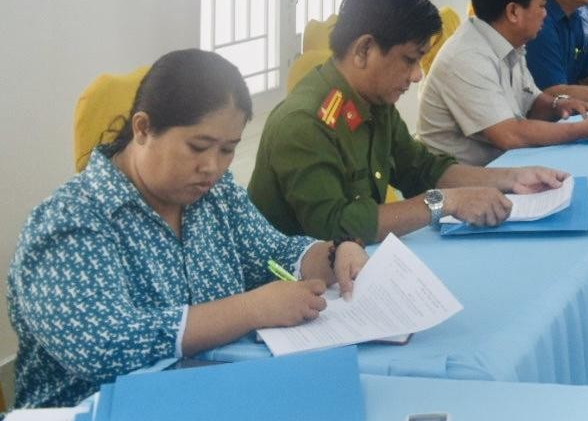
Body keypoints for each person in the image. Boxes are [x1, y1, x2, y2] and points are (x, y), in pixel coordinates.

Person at [7, 51, 368, 409]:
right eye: (198, 147)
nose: (212, 167)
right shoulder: (70, 221)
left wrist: (333, 254)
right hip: (99, 409)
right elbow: (105, 346)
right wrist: (252, 309)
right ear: (143, 128)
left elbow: (272, 254)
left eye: (227, 150)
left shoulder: (214, 195)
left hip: (209, 394)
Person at [250, 0, 567, 240]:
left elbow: (421, 169)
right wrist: (444, 203)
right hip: (300, 283)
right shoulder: (305, 123)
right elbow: (338, 225)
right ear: (364, 50)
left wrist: (512, 178)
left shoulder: (373, 100)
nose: (417, 76)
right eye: (409, 60)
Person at [419, 0, 588, 165]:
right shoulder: (467, 58)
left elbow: (532, 102)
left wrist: (562, 105)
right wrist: (583, 129)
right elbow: (509, 134)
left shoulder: (510, 41)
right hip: (461, 179)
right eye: (541, 6)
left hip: (503, 164)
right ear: (513, 12)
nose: (545, 14)